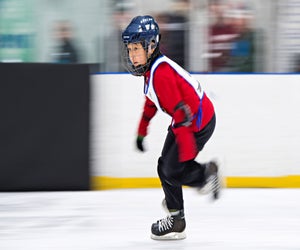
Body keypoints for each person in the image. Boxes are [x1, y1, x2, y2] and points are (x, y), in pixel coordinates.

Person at [121, 15, 220, 240]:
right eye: (129, 49)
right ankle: (177, 218)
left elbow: (182, 116)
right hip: (186, 118)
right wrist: (141, 131)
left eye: (136, 48)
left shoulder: (161, 74)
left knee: (172, 170)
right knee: (164, 166)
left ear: (151, 46)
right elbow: (151, 102)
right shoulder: (151, 71)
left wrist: (184, 160)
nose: (132, 55)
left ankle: (207, 175)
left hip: (198, 121)